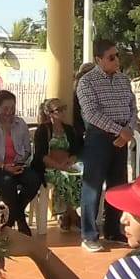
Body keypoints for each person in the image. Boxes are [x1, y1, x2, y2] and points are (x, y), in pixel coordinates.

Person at [76, 39, 137, 253]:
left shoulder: (123, 80)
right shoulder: (87, 82)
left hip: (122, 136)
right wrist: (119, 131)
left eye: (117, 55)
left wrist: (127, 130)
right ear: (98, 59)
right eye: (111, 57)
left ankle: (112, 229)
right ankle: (89, 235)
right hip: (99, 137)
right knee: (92, 187)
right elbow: (91, 114)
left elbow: (133, 107)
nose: (116, 60)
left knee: (118, 185)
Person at [0, 90, 40, 233]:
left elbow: (27, 149)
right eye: (5, 108)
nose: (9, 112)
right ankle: (20, 220)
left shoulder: (20, 123)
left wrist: (20, 162)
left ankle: (13, 216)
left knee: (34, 179)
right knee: (7, 182)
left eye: (12, 108)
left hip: (16, 164)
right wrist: (4, 166)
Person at [32, 98, 82, 231]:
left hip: (66, 165)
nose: (63, 112)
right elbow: (41, 155)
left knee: (80, 176)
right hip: (49, 168)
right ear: (49, 113)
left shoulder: (69, 129)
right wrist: (59, 166)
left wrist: (70, 160)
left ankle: (67, 214)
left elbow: (75, 151)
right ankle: (72, 215)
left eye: (64, 108)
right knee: (64, 177)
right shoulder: (43, 130)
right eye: (58, 110)